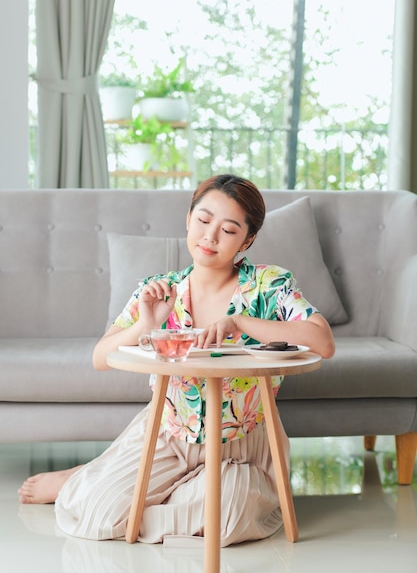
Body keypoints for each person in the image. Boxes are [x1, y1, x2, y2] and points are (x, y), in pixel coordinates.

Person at [18, 174, 335, 546]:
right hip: (168, 436)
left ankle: (130, 494)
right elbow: (101, 357)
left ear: (247, 240)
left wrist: (240, 322)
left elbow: (322, 341)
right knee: (98, 517)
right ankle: (91, 479)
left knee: (227, 518)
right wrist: (146, 325)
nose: (210, 237)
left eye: (228, 230)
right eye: (203, 220)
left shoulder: (269, 284)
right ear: (188, 219)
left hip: (242, 445)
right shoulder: (159, 288)